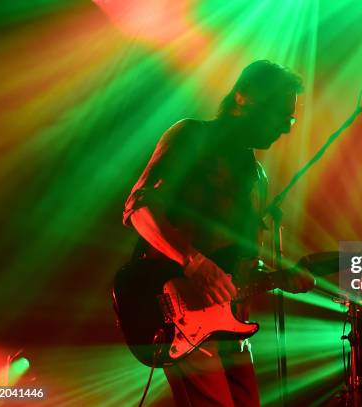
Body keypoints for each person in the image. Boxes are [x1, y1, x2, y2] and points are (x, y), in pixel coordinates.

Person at [122, 60, 315, 406]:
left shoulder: (258, 177)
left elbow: (238, 262)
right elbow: (138, 208)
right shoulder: (192, 135)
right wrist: (194, 263)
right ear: (244, 98)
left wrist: (278, 278)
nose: (286, 129)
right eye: (280, 115)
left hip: (229, 323)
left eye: (291, 119)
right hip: (180, 312)